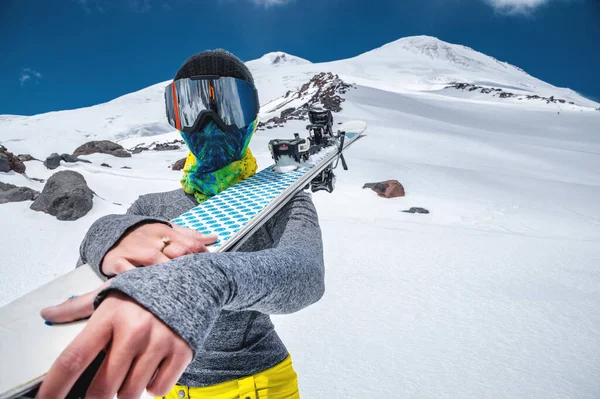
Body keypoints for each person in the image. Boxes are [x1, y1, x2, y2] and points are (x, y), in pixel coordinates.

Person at [38, 49, 325, 399]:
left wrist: (209, 277)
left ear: (252, 116)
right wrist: (108, 233)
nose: (208, 120)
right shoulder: (152, 208)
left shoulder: (282, 198)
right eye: (190, 107)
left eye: (228, 106)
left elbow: (306, 275)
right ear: (176, 119)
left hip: (255, 384)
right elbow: (89, 275)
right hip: (168, 389)